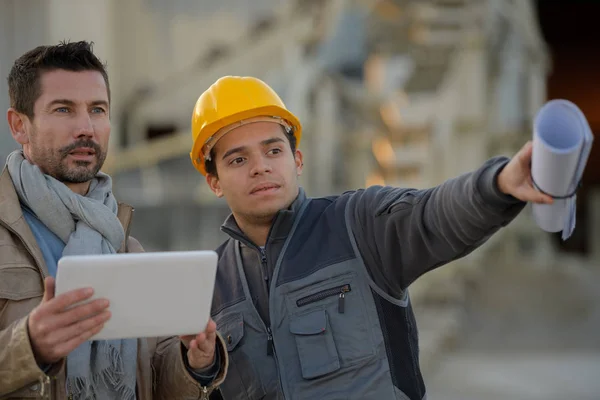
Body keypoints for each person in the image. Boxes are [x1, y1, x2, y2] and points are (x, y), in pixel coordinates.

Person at [188, 75, 555, 400]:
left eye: (273, 150)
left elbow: (433, 214)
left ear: (297, 160)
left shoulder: (358, 225)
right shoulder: (209, 284)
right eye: (238, 160)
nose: (260, 166)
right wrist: (202, 368)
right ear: (214, 182)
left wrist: (497, 185)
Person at [0, 41, 227, 400]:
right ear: (19, 126)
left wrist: (194, 361)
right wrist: (28, 346)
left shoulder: (125, 245)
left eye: (97, 110)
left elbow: (151, 381)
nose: (86, 127)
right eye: (63, 110)